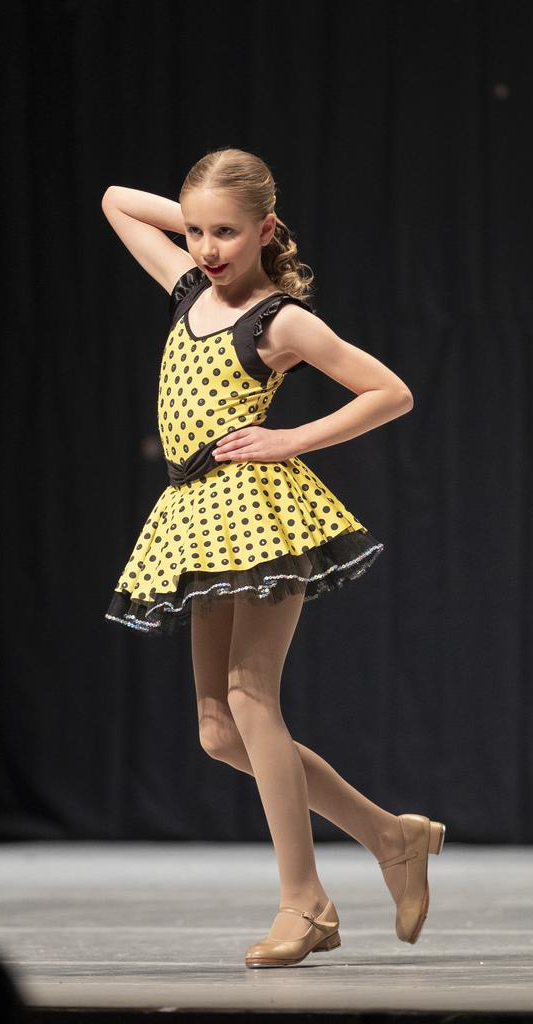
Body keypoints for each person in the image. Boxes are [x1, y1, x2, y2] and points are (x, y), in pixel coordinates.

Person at [101, 147, 446, 968]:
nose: (207, 248)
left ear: (265, 231)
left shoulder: (278, 320)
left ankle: (307, 904)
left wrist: (291, 437)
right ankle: (389, 836)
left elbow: (388, 392)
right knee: (218, 732)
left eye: (226, 232)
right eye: (194, 231)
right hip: (194, 517)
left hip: (257, 512)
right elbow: (117, 200)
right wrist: (192, 221)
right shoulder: (188, 289)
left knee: (252, 700)